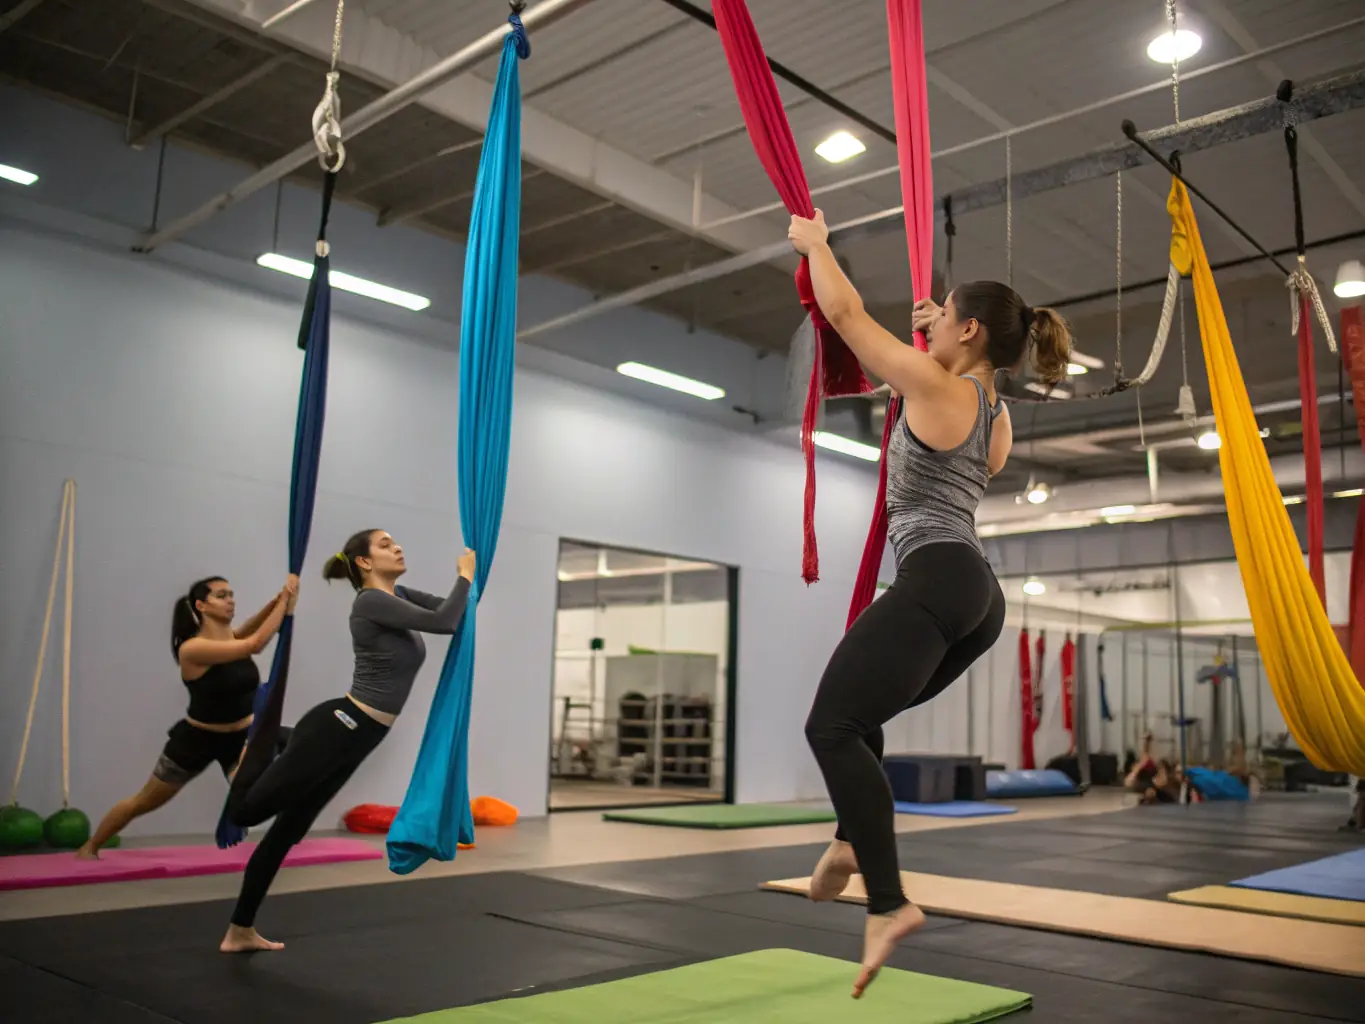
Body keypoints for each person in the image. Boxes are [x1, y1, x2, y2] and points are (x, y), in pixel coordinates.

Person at [788, 209, 1072, 998]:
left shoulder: (935, 385)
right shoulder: (995, 418)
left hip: (939, 578)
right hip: (978, 597)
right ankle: (848, 842)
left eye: (942, 315)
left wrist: (817, 246)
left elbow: (845, 314)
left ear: (970, 330)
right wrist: (934, 343)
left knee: (831, 725)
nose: (930, 323)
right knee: (861, 715)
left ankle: (887, 902)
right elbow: (938, 386)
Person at [219, 529, 476, 953]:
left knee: (287, 832)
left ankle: (239, 930)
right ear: (364, 562)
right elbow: (444, 622)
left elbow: (457, 611)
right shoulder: (370, 601)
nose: (397, 546)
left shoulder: (398, 595)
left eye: (395, 541)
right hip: (341, 726)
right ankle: (258, 743)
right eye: (385, 544)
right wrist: (464, 575)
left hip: (359, 737)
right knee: (248, 811)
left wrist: (471, 582)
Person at [76, 575, 298, 859]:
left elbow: (250, 629)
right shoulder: (193, 649)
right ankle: (91, 846)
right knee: (143, 802)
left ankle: (284, 836)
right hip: (196, 741)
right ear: (201, 606)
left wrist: (279, 600)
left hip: (241, 739)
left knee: (267, 783)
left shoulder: (231, 638)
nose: (230, 600)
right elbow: (255, 644)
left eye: (231, 594)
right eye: (221, 595)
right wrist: (286, 604)